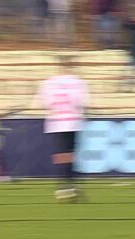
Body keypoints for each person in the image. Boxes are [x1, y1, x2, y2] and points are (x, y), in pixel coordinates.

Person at [36, 58, 89, 202]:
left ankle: (62, 186)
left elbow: (45, 103)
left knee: (60, 155)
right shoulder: (78, 82)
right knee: (71, 154)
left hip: (56, 122)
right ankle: (70, 185)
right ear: (72, 68)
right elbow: (81, 102)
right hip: (72, 121)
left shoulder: (48, 83)